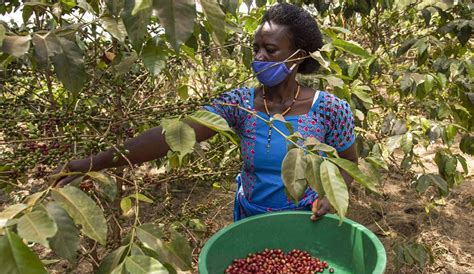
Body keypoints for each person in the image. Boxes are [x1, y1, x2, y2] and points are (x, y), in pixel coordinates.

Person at [53, 3, 357, 221]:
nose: (259, 57)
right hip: (251, 220)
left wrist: (330, 196)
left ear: (298, 56)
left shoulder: (330, 109)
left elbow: (348, 164)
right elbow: (172, 135)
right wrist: (92, 162)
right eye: (256, 49)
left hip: (305, 220)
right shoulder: (239, 104)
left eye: (270, 50)